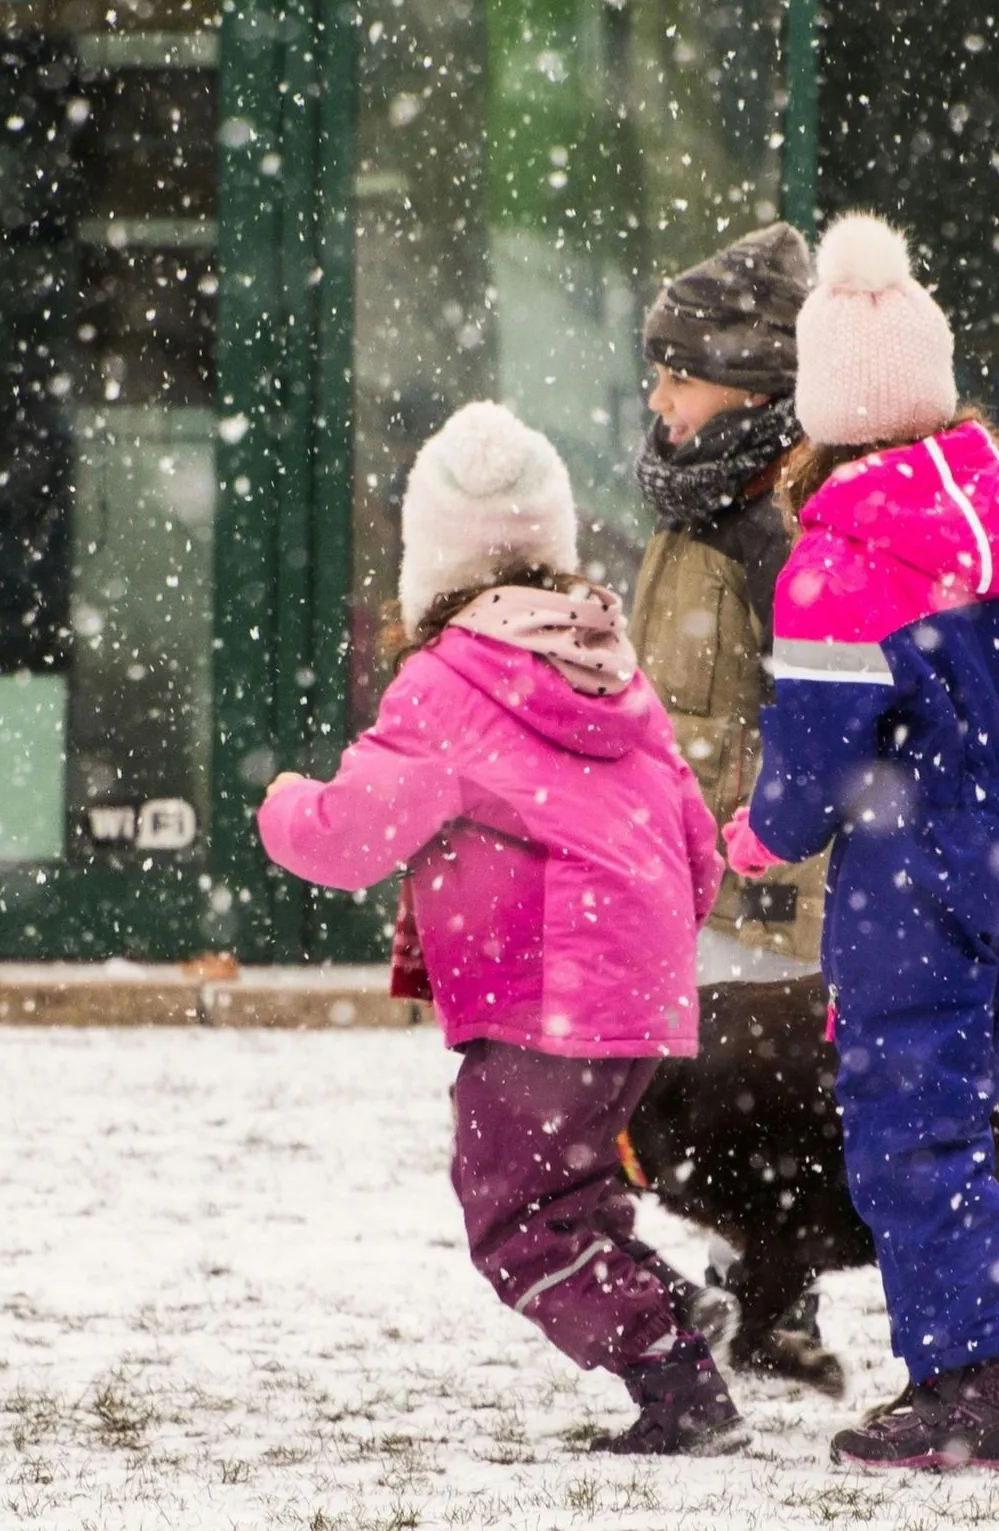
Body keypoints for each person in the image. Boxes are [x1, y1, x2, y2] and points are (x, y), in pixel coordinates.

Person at [257, 403, 742, 1456]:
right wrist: (648, 952)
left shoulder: (442, 685)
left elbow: (346, 835)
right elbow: (691, 834)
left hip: (541, 993)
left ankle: (673, 1373)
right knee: (571, 1193)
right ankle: (666, 1313)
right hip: (634, 986)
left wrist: (280, 801)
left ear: (430, 564)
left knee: (511, 1216)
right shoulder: (613, 669)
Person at [726, 214, 999, 1470]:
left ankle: (973, 1390)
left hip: (914, 885)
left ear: (824, 408)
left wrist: (765, 836)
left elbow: (817, 746)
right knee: (960, 1124)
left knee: (909, 1132)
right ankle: (974, 1366)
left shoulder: (838, 558)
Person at [631, 222, 825, 985]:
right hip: (684, 888)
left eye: (679, 377)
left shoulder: (778, 525)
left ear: (750, 387)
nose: (657, 399)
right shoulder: (697, 499)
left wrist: (767, 882)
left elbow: (815, 734)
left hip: (755, 921)